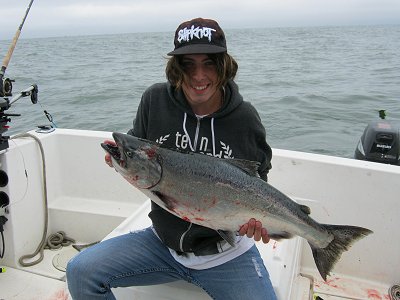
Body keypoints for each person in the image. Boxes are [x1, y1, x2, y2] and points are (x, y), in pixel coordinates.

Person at [66, 18, 276, 300]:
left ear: (224, 66)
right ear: (176, 67)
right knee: (81, 271)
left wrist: (255, 220)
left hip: (226, 254)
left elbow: (257, 181)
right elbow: (136, 149)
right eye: (188, 64)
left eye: (209, 63)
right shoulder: (154, 100)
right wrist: (119, 162)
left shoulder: (244, 118)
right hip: (162, 245)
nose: (198, 76)